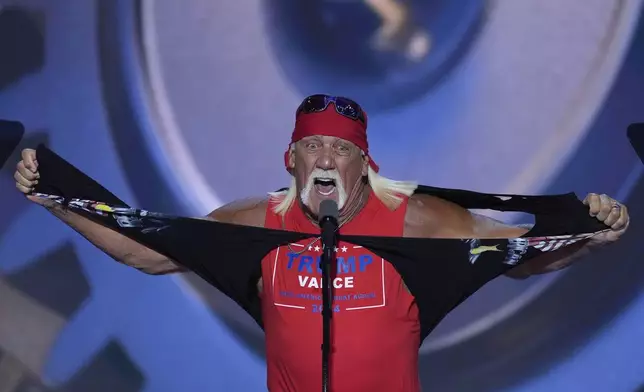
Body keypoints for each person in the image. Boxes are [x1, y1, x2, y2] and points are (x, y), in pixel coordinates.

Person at [13, 94, 630, 391]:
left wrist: (585, 238)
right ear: (291, 159)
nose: (326, 157)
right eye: (313, 146)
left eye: (342, 148)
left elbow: (518, 256)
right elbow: (140, 249)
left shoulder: (419, 222)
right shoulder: (253, 223)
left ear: (366, 163)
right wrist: (54, 197)